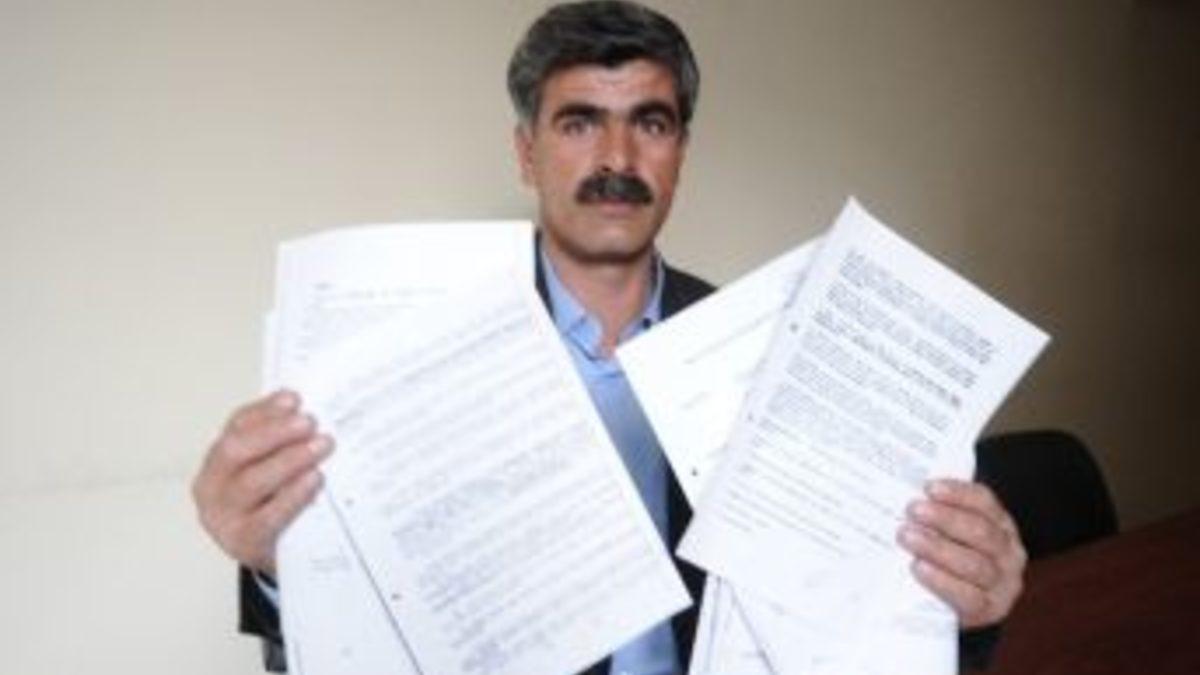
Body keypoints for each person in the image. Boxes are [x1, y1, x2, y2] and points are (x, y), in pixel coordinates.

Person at [191, 2, 1027, 673]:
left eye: (650, 123)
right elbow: (345, 644)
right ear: (527, 153)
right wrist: (278, 564)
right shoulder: (413, 357)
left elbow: (860, 615)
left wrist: (966, 609)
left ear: (681, 151)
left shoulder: (776, 356)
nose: (617, 158)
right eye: (580, 123)